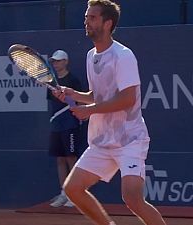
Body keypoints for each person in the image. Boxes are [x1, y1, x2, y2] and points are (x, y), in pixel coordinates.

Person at [53, 1, 167, 225]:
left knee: (132, 198)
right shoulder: (90, 56)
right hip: (103, 141)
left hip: (129, 139)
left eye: (92, 18)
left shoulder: (123, 56)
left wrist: (89, 111)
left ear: (108, 23)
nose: (86, 21)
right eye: (86, 17)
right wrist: (74, 93)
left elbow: (127, 99)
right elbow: (99, 95)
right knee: (73, 189)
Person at [47, 50, 81, 208]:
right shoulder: (51, 82)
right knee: (60, 159)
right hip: (56, 125)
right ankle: (64, 193)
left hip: (70, 124)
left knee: (70, 158)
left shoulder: (73, 80)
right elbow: (52, 103)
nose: (56, 63)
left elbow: (79, 102)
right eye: (54, 61)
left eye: (59, 61)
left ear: (66, 61)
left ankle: (74, 195)